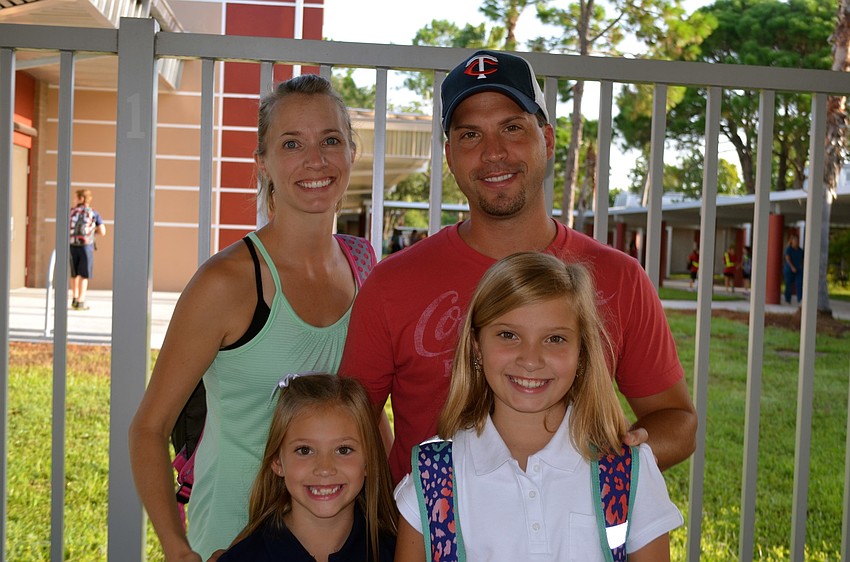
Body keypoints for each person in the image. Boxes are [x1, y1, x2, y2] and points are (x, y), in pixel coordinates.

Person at [339, 49, 697, 485]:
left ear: (546, 141)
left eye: (512, 128)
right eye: (471, 135)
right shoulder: (392, 282)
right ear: (450, 156)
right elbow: (348, 427)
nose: (494, 153)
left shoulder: (618, 277)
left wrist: (601, 469)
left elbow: (677, 421)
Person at [129, 74, 375, 562]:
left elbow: (366, 406)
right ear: (262, 162)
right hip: (230, 536)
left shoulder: (363, 264)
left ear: (351, 151)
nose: (315, 160)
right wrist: (176, 548)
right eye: (291, 144)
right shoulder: (228, 283)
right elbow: (148, 428)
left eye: (331, 140)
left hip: (335, 538)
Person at [393, 253, 683, 561]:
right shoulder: (432, 480)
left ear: (581, 352)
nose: (530, 360)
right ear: (476, 346)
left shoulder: (627, 470)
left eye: (555, 339)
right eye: (509, 335)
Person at [218, 373, 397, 562]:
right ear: (277, 462)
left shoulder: (395, 553)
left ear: (369, 461)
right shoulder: (243, 557)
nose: (325, 468)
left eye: (343, 450)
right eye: (305, 450)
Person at [68, 189, 106, 310]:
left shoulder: (71, 212)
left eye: (75, 198)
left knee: (74, 274)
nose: (74, 200)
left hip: (72, 246)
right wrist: (91, 232)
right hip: (86, 247)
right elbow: (103, 231)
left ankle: (74, 298)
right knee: (84, 275)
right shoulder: (93, 213)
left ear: (81, 198)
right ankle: (81, 301)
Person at [784, 233, 804, 304]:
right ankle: (787, 299)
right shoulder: (788, 249)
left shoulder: (800, 250)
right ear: (792, 241)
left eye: (797, 241)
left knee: (799, 283)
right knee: (789, 284)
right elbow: (787, 258)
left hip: (798, 269)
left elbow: (803, 259)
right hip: (789, 269)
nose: (796, 242)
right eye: (795, 240)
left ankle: (800, 299)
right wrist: (792, 267)